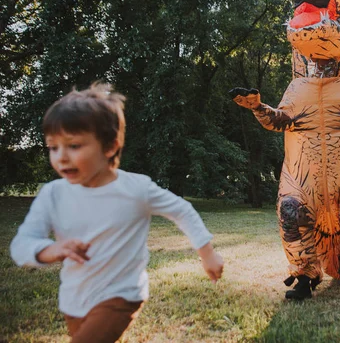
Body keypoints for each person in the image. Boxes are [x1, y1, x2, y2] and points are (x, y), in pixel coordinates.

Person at [10, 82, 224, 343]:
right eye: (53, 147)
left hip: (122, 295)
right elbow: (22, 243)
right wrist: (49, 250)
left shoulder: (136, 189)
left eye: (74, 146)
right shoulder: (53, 194)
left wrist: (207, 253)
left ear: (110, 146)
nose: (61, 157)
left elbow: (182, 210)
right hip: (74, 299)